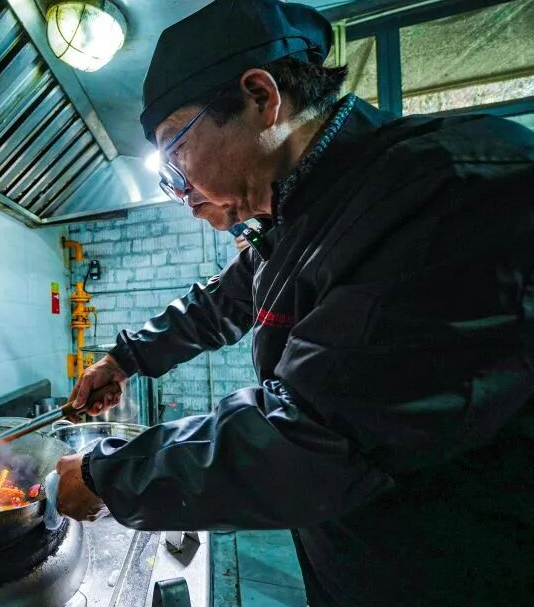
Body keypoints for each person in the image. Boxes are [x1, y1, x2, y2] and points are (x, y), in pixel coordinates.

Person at [53, 1, 534, 606]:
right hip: (354, 560)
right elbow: (222, 301)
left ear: (261, 97)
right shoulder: (303, 213)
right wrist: (124, 360)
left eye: (178, 162)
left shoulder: (444, 191)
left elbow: (315, 436)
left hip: (452, 570)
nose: (183, 197)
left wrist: (106, 476)